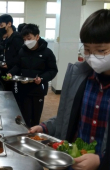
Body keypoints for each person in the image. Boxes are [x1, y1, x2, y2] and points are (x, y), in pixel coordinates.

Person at [29, 9, 110, 170]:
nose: (92, 57)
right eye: (87, 50)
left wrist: (102, 161)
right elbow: (68, 117)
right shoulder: (80, 76)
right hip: (73, 163)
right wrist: (45, 128)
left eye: (101, 51)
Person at [7, 24, 58, 127]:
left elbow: (53, 70)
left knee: (35, 119)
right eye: (24, 39)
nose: (27, 41)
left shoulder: (47, 53)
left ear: (37, 37)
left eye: (29, 38)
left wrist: (42, 78)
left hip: (38, 90)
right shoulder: (22, 51)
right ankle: (25, 136)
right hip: (24, 89)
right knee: (25, 117)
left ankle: (33, 138)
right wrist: (11, 73)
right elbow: (18, 66)